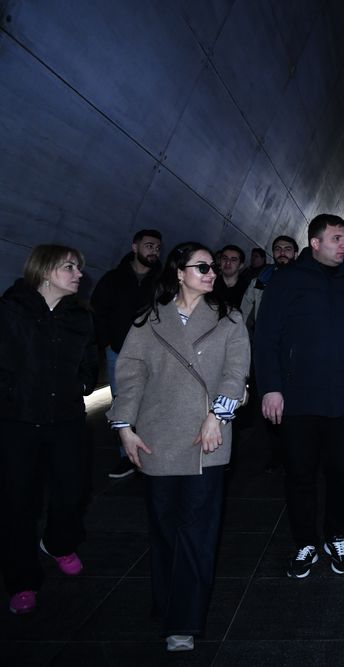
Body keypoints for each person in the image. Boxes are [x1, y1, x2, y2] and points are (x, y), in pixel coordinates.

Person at [106, 242, 250, 652]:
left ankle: (183, 619)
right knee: (165, 529)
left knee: (197, 533)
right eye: (202, 266)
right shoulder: (148, 320)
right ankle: (167, 602)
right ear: (179, 273)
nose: (212, 271)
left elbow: (236, 373)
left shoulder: (229, 318)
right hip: (157, 438)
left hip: (208, 438)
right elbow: (131, 375)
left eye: (213, 266)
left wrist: (216, 416)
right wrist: (124, 427)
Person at [253, 215, 344, 579]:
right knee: (300, 474)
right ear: (315, 243)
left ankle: (337, 536)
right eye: (337, 238)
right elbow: (266, 337)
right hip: (297, 399)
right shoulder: (286, 280)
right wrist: (271, 387)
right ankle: (305, 541)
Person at [0, 245, 99, 615]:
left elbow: (90, 359)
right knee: (16, 503)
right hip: (18, 421)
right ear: (43, 271)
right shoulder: (10, 311)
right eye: (69, 267)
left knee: (74, 491)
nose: (79, 274)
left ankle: (58, 542)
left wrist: (83, 383)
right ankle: (22, 581)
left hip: (66, 420)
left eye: (78, 267)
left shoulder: (80, 317)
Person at [92, 228, 162, 478]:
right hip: (119, 352)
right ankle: (128, 456)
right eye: (149, 246)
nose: (154, 251)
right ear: (135, 247)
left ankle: (153, 452)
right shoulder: (113, 278)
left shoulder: (163, 281)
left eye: (157, 247)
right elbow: (98, 311)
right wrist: (108, 342)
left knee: (154, 402)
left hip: (154, 354)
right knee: (123, 404)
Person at [240, 235, 298, 473]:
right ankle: (277, 453)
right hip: (267, 351)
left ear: (295, 253)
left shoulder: (304, 280)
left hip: (296, 353)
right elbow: (244, 315)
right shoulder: (259, 282)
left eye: (287, 249)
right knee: (271, 405)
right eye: (278, 249)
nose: (282, 252)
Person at [214, 244, 250, 309]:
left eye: (233, 260)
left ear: (241, 265)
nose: (228, 262)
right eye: (224, 258)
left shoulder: (247, 289)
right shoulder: (210, 283)